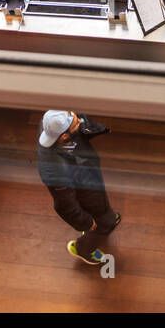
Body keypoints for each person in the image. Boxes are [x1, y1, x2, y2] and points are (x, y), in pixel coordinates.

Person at [36, 110, 120, 266]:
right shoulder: (54, 171)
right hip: (84, 190)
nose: (79, 121)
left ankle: (103, 214)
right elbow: (65, 205)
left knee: (102, 207)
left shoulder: (49, 123)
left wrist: (100, 129)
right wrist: (87, 223)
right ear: (64, 136)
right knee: (106, 224)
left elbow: (81, 122)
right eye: (75, 123)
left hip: (88, 176)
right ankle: (83, 248)